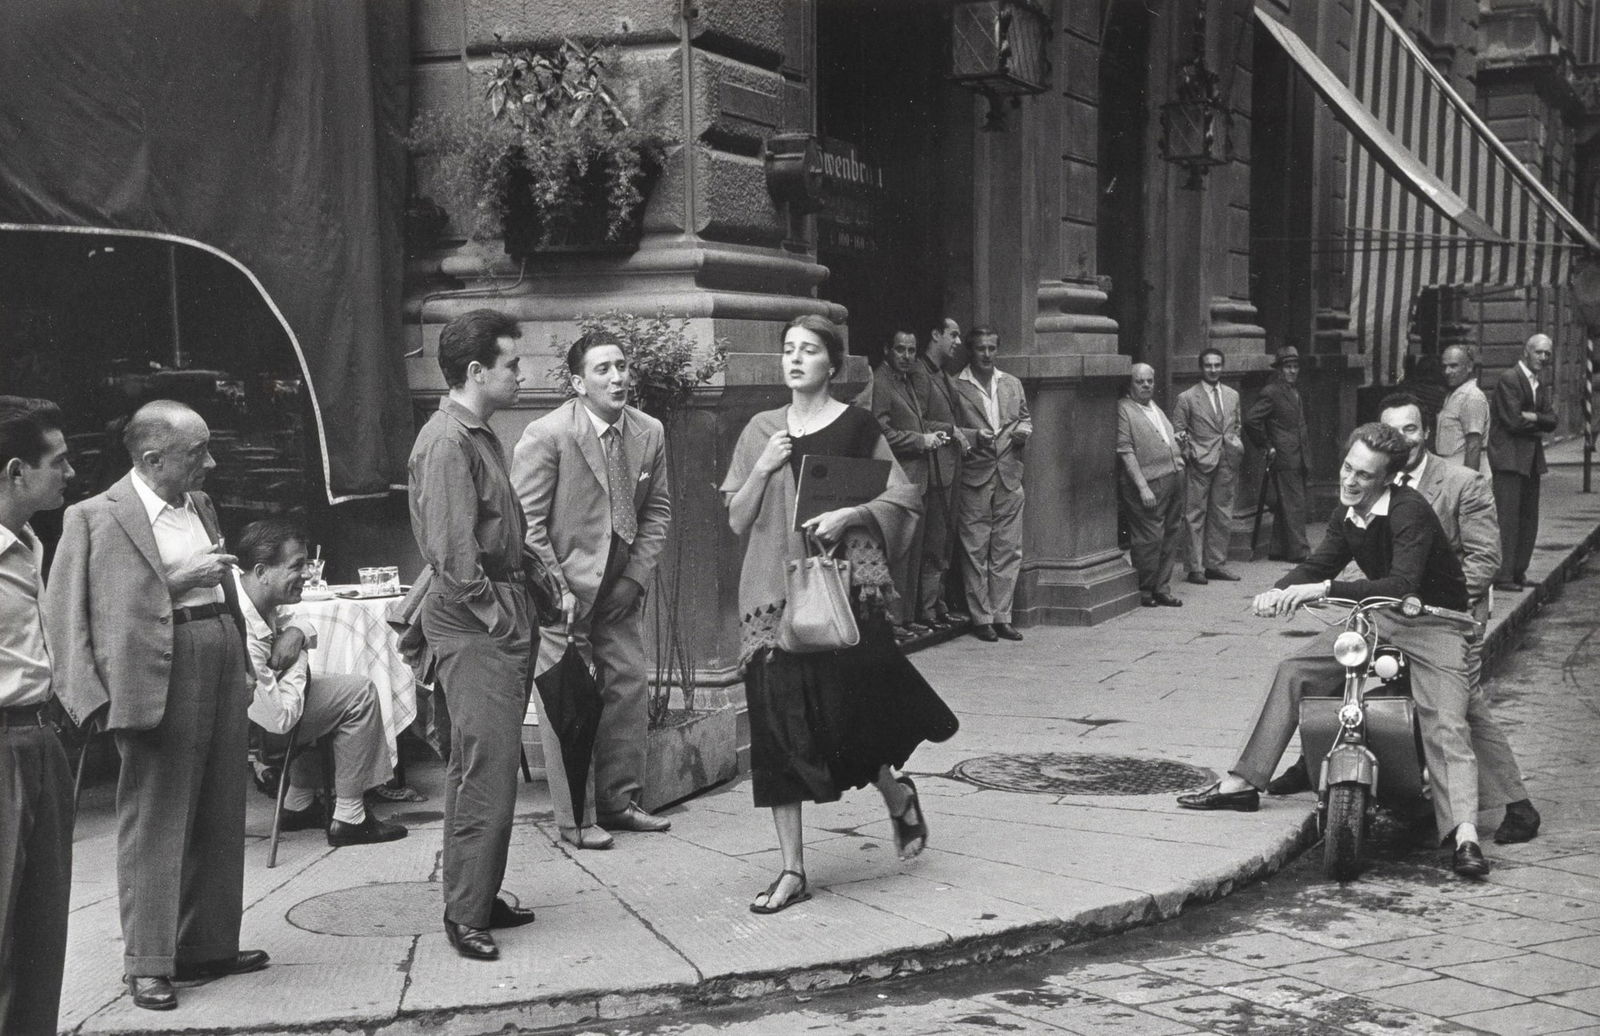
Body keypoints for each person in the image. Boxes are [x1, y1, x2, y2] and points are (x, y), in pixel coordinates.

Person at [1177, 422, 1494, 878]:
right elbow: (1319, 562)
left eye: (1364, 475)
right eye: (1348, 467)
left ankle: (1464, 835)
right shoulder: (1348, 513)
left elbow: (1401, 583)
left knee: (1446, 722)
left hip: (1434, 624)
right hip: (1378, 618)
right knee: (1294, 669)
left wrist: (1321, 589)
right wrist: (1278, 591)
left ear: (1387, 479)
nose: (1350, 480)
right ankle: (1243, 782)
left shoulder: (1410, 511)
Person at [720, 314, 959, 914]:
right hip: (773, 596)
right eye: (788, 351)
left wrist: (849, 516)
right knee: (777, 733)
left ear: (833, 364)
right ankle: (792, 870)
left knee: (847, 718)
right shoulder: (761, 430)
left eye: (809, 351)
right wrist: (763, 468)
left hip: (844, 592)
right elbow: (736, 518)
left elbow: (901, 496)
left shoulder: (855, 426)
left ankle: (893, 790)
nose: (795, 359)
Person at [45, 400, 265, 1010]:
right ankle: (148, 962)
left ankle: (208, 944)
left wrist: (244, 661)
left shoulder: (199, 504)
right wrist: (86, 700)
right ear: (152, 457)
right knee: (155, 816)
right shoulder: (92, 517)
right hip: (152, 670)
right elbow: (67, 615)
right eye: (198, 453)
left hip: (216, 651)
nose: (211, 463)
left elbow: (221, 586)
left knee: (222, 805)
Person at [1266, 394, 1541, 846]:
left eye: (1410, 429)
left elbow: (1485, 558)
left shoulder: (1461, 481)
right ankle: (1313, 762)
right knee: (1329, 661)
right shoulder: (1366, 483)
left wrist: (1430, 608)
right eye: (1392, 429)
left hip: (1447, 615)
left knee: (1459, 710)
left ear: (1426, 432)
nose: (1402, 438)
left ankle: (1514, 805)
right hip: (1391, 609)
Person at [407, 309, 537, 962]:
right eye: (514, 364)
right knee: (486, 769)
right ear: (477, 372)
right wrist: (501, 617)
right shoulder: (447, 443)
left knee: (481, 765)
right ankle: (466, 913)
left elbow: (499, 525)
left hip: (494, 613)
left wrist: (536, 583)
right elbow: (456, 556)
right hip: (476, 621)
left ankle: (477, 894)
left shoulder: (475, 435)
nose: (523, 374)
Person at [513, 330, 673, 850]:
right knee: (572, 703)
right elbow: (527, 525)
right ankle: (576, 820)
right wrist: (556, 591)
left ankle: (619, 802)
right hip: (562, 592)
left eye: (622, 366)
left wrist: (633, 578)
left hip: (619, 588)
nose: (618, 376)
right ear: (579, 382)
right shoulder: (548, 434)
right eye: (602, 369)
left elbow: (657, 511)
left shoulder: (649, 432)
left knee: (627, 685)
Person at [228, 519, 406, 847]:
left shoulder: (255, 598)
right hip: (257, 734)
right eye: (298, 566)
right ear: (261, 571)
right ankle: (351, 818)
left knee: (329, 689)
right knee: (359, 694)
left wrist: (296, 634)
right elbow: (280, 721)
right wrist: (297, 659)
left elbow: (298, 623)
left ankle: (299, 802)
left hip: (263, 715)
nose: (308, 575)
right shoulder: (245, 628)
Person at [0, 397, 74, 1034]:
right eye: (60, 461)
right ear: (17, 470)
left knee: (41, 936)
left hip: (41, 738)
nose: (72, 473)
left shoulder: (29, 544)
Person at [951, 327, 1032, 642]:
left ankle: (1003, 616)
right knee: (975, 548)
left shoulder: (1011, 383)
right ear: (971, 351)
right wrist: (972, 437)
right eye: (981, 348)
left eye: (992, 348)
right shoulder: (957, 386)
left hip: (1009, 474)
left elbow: (1024, 418)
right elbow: (950, 427)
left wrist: (1024, 431)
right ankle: (981, 617)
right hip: (975, 474)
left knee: (1008, 549)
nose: (986, 354)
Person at [870, 329, 951, 638]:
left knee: (915, 551)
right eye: (900, 350)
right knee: (900, 553)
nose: (906, 356)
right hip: (900, 479)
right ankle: (892, 621)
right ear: (887, 349)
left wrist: (935, 434)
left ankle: (906, 619)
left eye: (911, 351)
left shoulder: (906, 381)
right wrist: (921, 440)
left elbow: (916, 422)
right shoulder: (882, 382)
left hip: (919, 478)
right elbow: (881, 432)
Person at [1488, 333, 1558, 593]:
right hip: (1509, 459)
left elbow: (1553, 421)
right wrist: (1539, 423)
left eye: (1547, 353)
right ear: (1526, 352)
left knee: (1528, 519)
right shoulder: (1510, 378)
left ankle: (1518, 571)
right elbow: (1513, 421)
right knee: (1507, 519)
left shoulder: (1539, 383)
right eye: (1539, 352)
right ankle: (1504, 576)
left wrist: (1534, 417)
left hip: (1529, 460)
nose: (1543, 358)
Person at [915, 318, 971, 628]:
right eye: (953, 334)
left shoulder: (944, 376)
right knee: (935, 539)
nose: (958, 342)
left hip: (951, 466)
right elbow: (918, 421)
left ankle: (938, 604)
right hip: (934, 467)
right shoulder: (921, 374)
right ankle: (927, 609)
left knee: (945, 538)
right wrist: (952, 430)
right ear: (935, 335)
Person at [1116, 364, 1186, 607]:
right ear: (1130, 384)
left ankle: (1162, 588)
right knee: (1149, 536)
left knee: (1171, 532)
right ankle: (1146, 588)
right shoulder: (1125, 408)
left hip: (1174, 475)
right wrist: (1142, 486)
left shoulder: (1153, 407)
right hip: (1149, 482)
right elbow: (1125, 450)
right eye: (1140, 381)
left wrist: (1177, 442)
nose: (1146, 385)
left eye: (1150, 381)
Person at [1172, 348, 1243, 584]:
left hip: (1226, 460)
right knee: (1195, 514)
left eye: (1217, 365)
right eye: (1208, 365)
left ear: (1222, 366)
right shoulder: (1187, 397)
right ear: (1201, 368)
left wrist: (1234, 446)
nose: (1213, 370)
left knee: (1222, 513)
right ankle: (1195, 568)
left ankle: (1216, 564)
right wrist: (1190, 452)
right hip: (1199, 462)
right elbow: (1178, 431)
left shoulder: (1232, 395)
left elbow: (1236, 425)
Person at [1244, 345, 1311, 562]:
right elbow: (1251, 420)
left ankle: (1279, 549)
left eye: (1295, 367)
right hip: (1284, 456)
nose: (1292, 371)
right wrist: (1267, 445)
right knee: (1294, 503)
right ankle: (1300, 552)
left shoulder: (1294, 391)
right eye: (1287, 367)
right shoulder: (1272, 391)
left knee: (1286, 504)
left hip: (1297, 454)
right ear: (1279, 370)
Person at [1438, 345, 1490, 472]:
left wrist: (1469, 485)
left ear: (1469, 367)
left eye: (1453, 366)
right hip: (1451, 469)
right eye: (1444, 366)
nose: (1447, 371)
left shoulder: (1472, 397)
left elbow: (1473, 445)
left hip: (1463, 470)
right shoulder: (1455, 393)